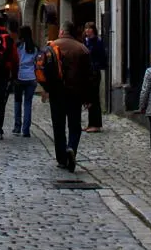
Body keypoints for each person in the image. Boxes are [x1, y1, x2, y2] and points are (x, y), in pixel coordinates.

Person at [44, 21, 93, 172]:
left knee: (58, 126)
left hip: (56, 92)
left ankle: (61, 159)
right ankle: (71, 147)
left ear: (61, 32)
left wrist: (46, 89)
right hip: (75, 93)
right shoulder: (82, 49)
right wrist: (88, 97)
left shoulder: (51, 46)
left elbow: (44, 69)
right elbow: (88, 76)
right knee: (74, 125)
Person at [12, 25, 39, 138]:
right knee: (28, 103)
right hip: (31, 77)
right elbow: (37, 63)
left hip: (19, 77)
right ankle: (26, 130)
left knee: (18, 102)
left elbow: (14, 60)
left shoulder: (18, 46)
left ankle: (17, 127)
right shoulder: (35, 47)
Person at [83, 22, 108, 132]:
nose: (87, 30)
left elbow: (102, 57)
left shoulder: (97, 42)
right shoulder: (86, 41)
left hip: (94, 72)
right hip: (88, 72)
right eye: (86, 28)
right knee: (89, 98)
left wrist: (96, 66)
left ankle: (96, 125)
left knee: (94, 98)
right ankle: (90, 123)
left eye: (89, 28)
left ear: (93, 30)